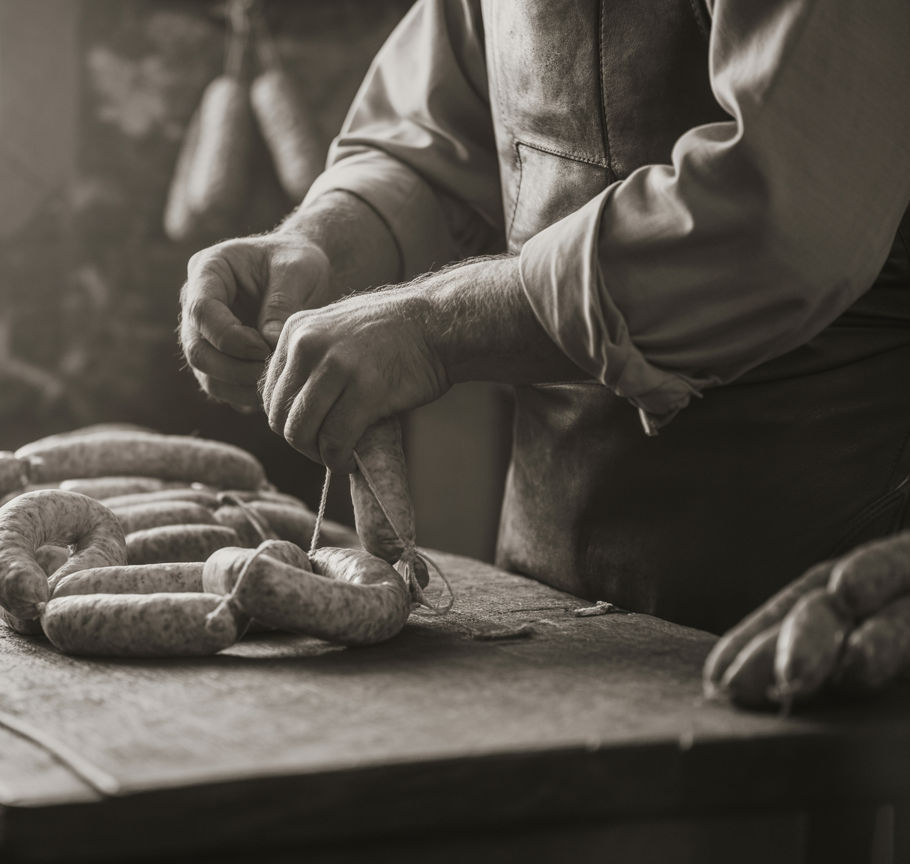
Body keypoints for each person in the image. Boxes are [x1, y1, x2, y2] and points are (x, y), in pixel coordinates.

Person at [180, 0, 910, 640]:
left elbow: (777, 226)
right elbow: (430, 144)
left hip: (822, 605)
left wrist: (430, 329)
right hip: (551, 599)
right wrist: (319, 244)